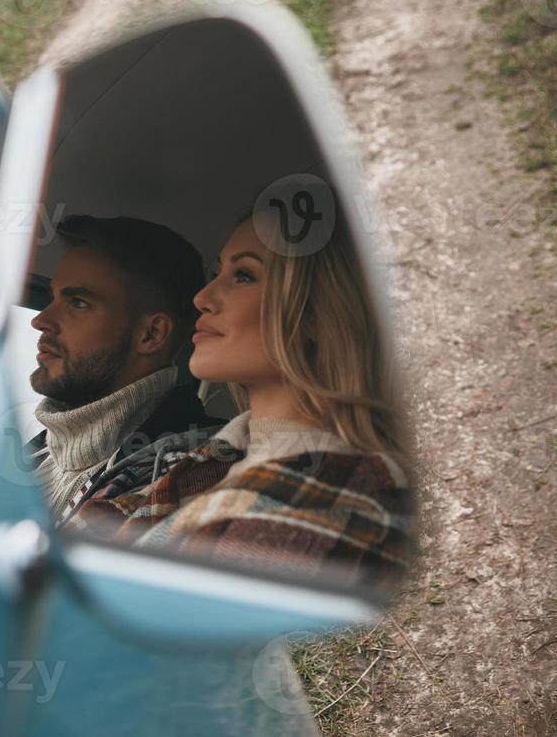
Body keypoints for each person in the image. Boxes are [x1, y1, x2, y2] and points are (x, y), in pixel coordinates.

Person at [67, 206, 413, 587]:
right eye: (218, 273)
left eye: (243, 275)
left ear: (318, 312)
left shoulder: (320, 503)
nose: (202, 297)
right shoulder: (209, 464)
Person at [25, 214, 222, 521]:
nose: (41, 320)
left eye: (77, 302)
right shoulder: (31, 457)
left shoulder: (191, 474)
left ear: (151, 334)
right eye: (52, 298)